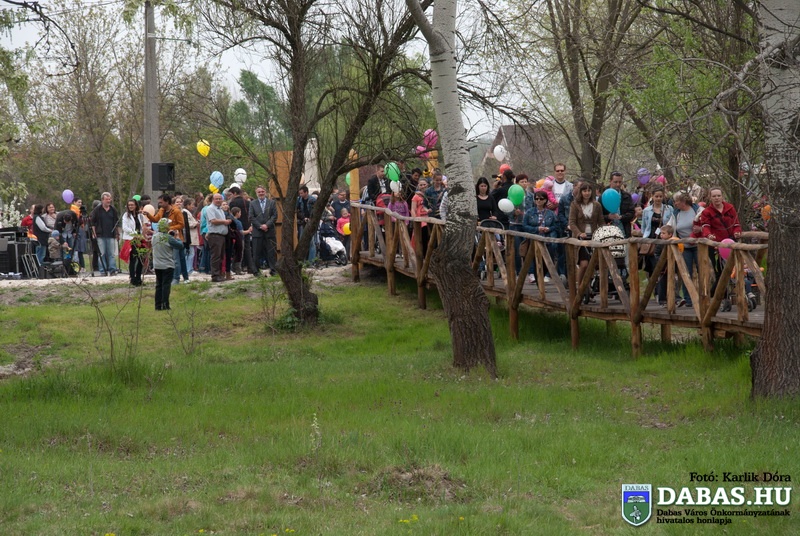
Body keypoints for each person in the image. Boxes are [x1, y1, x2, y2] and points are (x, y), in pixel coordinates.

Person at [698, 186, 742, 295]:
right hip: (715, 245)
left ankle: (727, 294)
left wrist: (737, 232)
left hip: (730, 243)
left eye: (718, 195)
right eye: (714, 196)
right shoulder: (707, 212)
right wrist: (709, 235)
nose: (717, 198)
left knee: (733, 270)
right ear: (710, 198)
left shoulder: (730, 208)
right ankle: (718, 295)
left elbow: (736, 224)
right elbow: (705, 226)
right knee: (719, 271)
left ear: (722, 196)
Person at [665, 191, 703, 308]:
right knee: (686, 273)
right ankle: (688, 299)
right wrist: (662, 233)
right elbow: (669, 226)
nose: (674, 203)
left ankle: (704, 297)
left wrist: (700, 229)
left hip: (699, 245)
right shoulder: (676, 213)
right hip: (684, 247)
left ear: (683, 201)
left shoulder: (697, 210)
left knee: (702, 271)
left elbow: (706, 223)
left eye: (676, 201)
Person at [568, 182, 605, 294]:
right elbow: (572, 222)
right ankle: (580, 288)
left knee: (592, 265)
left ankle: (588, 289)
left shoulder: (597, 205)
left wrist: (603, 232)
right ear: (581, 192)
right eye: (584, 191)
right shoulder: (575, 205)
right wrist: (579, 233)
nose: (587, 193)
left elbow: (601, 221)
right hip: (581, 239)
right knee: (584, 264)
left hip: (593, 238)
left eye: (589, 190)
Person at [522, 190, 558, 283]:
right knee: (533, 259)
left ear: (545, 200)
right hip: (533, 239)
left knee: (548, 258)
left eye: (541, 199)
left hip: (547, 239)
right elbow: (524, 226)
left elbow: (556, 226)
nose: (538, 200)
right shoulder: (529, 212)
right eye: (536, 198)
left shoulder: (551, 213)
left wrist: (548, 229)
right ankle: (534, 276)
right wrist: (537, 229)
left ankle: (547, 275)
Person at [640, 186, 674, 278]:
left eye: (660, 196)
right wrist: (644, 238)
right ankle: (652, 283)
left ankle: (663, 283)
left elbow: (671, 224)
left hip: (664, 238)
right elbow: (644, 227)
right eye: (656, 196)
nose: (658, 198)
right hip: (650, 239)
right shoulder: (646, 210)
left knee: (663, 263)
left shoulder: (669, 209)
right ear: (652, 196)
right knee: (651, 264)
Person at [151, 218, 184, 310]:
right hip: (167, 264)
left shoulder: (154, 236)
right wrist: (177, 237)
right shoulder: (168, 238)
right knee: (166, 285)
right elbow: (180, 245)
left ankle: (157, 306)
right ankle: (165, 305)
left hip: (157, 264)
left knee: (159, 285)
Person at [249, 185, 278, 275]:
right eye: (259, 192)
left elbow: (274, 216)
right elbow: (251, 217)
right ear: (256, 193)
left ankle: (273, 270)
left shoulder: (271, 203)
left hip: (269, 231)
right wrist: (260, 226)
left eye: (262, 191)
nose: (261, 193)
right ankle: (256, 271)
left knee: (271, 252)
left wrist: (267, 225)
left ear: (265, 192)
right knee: (256, 253)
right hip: (257, 232)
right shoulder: (252, 203)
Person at [90, 192, 120, 276]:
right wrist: (94, 233)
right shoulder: (97, 210)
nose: (108, 201)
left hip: (111, 234)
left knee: (111, 254)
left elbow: (117, 222)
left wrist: (117, 233)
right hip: (100, 235)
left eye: (109, 199)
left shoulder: (113, 210)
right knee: (102, 253)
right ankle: (102, 270)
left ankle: (112, 269)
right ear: (102, 200)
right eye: (107, 199)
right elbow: (93, 222)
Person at [228, 186, 255, 276]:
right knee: (247, 248)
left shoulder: (233, 203)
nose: (230, 196)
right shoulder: (247, 202)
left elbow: (231, 215)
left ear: (235, 193)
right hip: (247, 226)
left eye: (231, 194)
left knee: (237, 249)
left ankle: (237, 267)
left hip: (237, 227)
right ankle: (250, 267)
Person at [121, 199, 147, 286]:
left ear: (136, 205)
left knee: (141, 258)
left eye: (132, 205)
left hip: (140, 238)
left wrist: (142, 235)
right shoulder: (126, 215)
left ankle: (138, 278)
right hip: (131, 239)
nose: (131, 206)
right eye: (129, 205)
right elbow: (125, 228)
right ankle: (132, 278)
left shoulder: (140, 216)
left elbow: (142, 226)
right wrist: (135, 234)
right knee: (133, 259)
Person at [205, 193, 230, 282]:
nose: (218, 200)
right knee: (216, 256)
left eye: (220, 199)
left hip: (221, 235)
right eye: (216, 199)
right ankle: (215, 275)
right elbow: (213, 221)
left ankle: (219, 274)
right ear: (213, 200)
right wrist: (224, 221)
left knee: (220, 256)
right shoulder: (210, 208)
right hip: (215, 235)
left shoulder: (220, 209)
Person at [602, 172, 636, 238]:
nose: (618, 184)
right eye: (615, 182)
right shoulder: (603, 196)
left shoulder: (627, 196)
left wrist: (621, 217)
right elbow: (599, 216)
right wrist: (608, 217)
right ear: (610, 181)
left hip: (624, 232)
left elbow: (632, 213)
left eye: (620, 182)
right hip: (607, 233)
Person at [296, 185, 317, 262]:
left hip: (311, 222)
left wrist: (311, 219)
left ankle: (311, 261)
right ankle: (302, 260)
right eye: (300, 193)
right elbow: (297, 211)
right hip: (303, 222)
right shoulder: (299, 200)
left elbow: (315, 211)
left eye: (302, 193)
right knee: (302, 240)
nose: (300, 195)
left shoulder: (313, 200)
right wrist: (303, 218)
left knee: (312, 242)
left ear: (306, 192)